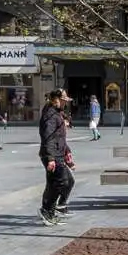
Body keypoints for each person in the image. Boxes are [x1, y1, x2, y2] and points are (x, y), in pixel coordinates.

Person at [37, 89, 74, 226]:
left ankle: (50, 210)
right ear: (57, 100)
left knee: (58, 182)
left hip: (57, 152)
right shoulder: (51, 115)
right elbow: (48, 137)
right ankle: (48, 210)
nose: (65, 103)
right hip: (52, 154)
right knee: (62, 181)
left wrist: (67, 151)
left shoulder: (56, 112)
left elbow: (60, 137)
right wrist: (50, 158)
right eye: (64, 101)